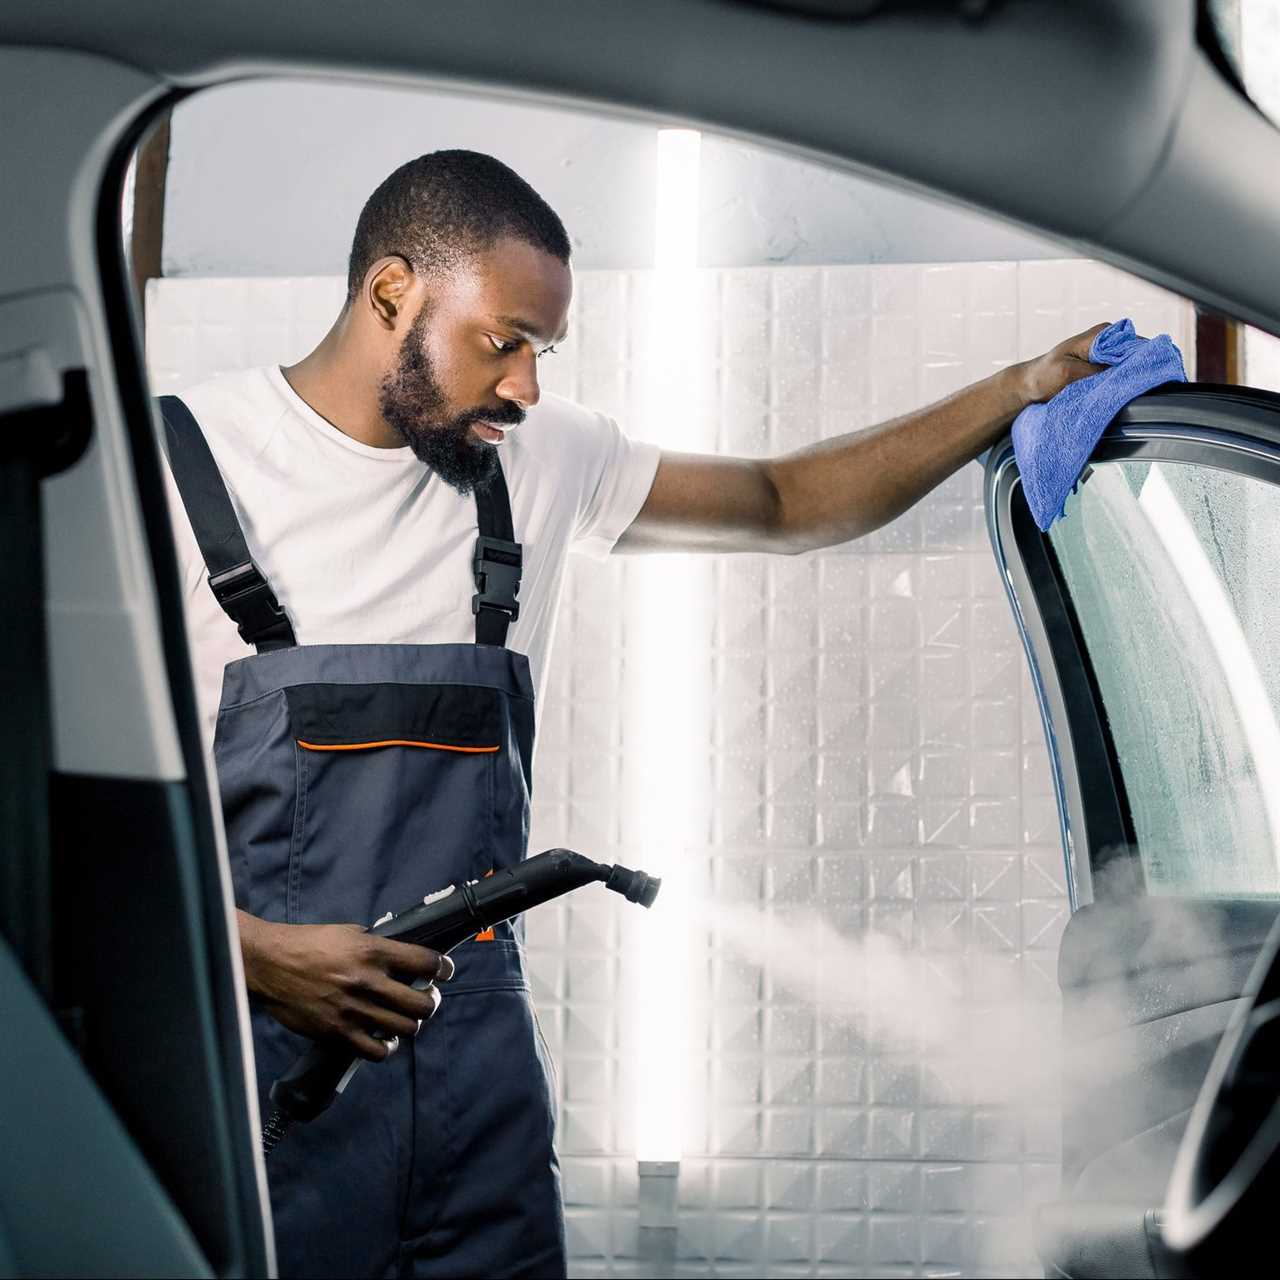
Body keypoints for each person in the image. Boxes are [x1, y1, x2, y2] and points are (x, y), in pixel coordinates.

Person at [159, 149, 1104, 1279]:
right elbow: (58, 844)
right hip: (254, 1094)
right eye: (502, 339)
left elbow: (781, 498)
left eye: (541, 352)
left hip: (477, 1101)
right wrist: (253, 954)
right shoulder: (172, 473)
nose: (526, 387)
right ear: (391, 293)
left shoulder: (534, 461)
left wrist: (1014, 388)